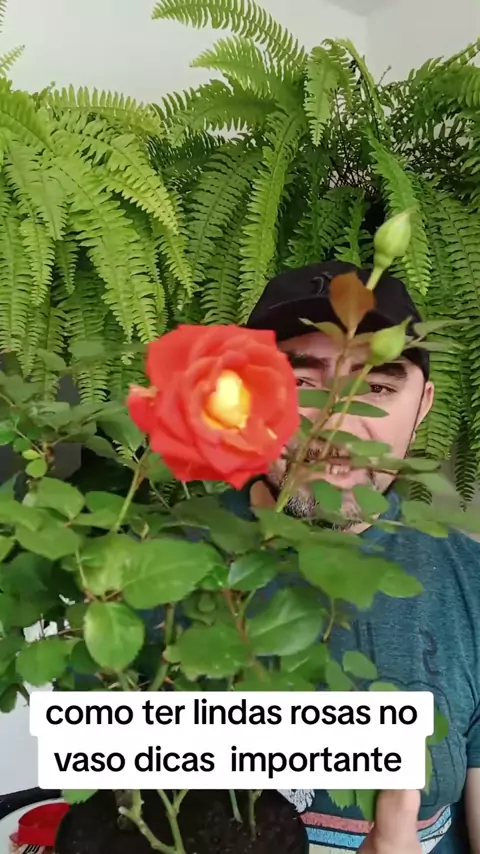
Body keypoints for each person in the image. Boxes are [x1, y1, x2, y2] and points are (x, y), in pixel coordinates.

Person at [219, 261, 480, 853]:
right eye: (300, 383)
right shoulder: (132, 575)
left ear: (423, 405)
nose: (337, 422)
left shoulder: (473, 586)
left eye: (378, 388)